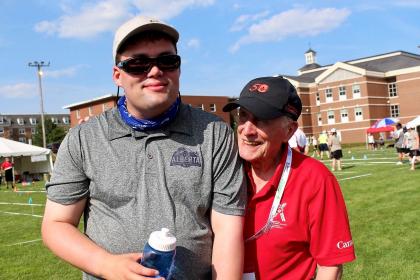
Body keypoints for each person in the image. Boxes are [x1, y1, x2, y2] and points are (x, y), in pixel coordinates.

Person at [41, 16, 247, 280]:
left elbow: (228, 230)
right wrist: (106, 265)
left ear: (179, 69)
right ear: (118, 75)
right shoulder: (83, 139)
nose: (155, 71)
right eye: (138, 63)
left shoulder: (214, 133)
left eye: (167, 61)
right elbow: (56, 224)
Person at [223, 76, 355, 280]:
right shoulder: (223, 169)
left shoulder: (315, 179)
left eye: (262, 120)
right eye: (243, 116)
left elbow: (331, 265)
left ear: (289, 130)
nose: (247, 130)